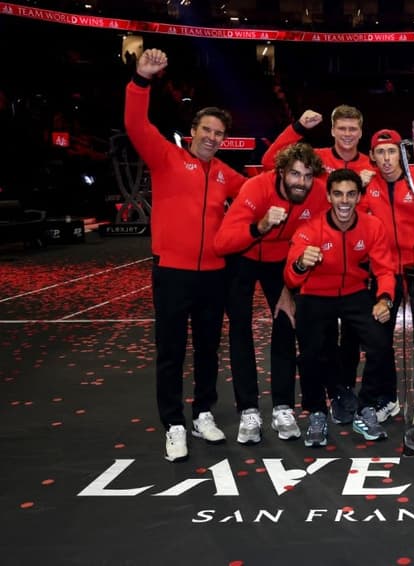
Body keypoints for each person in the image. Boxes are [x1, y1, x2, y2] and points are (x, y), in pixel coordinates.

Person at [125, 48, 246, 462]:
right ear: (192, 130)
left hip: (214, 274)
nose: (212, 138)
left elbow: (258, 189)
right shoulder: (166, 159)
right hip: (172, 272)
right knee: (171, 350)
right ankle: (174, 423)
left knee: (208, 348)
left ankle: (204, 413)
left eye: (219, 134)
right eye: (207, 130)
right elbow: (135, 124)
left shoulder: (226, 174)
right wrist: (141, 81)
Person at [261, 105, 374, 426]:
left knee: (352, 338)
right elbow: (271, 162)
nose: (348, 135)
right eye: (342, 129)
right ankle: (325, 396)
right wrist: (297, 127)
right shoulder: (317, 158)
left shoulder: (370, 164)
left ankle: (343, 394)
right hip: (316, 263)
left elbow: (372, 211)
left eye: (353, 129)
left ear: (361, 131)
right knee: (319, 338)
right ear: (333, 130)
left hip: (354, 264)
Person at [213, 143, 324, 444]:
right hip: (244, 256)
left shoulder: (318, 193)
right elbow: (222, 243)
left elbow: (321, 236)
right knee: (240, 328)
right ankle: (249, 408)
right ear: (280, 173)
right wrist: (259, 226)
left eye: (308, 175)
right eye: (294, 174)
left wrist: (291, 287)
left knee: (286, 324)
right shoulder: (256, 188)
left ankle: (283, 406)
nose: (301, 182)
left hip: (282, 260)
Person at [285, 168, 396, 447]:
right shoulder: (310, 230)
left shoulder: (372, 226)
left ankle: (365, 408)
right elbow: (290, 276)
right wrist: (300, 264)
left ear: (359, 196)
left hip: (354, 293)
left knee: (380, 344)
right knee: (310, 354)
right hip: (315, 293)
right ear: (328, 196)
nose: (344, 201)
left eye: (350, 194)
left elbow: (385, 270)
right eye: (337, 194)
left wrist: (385, 299)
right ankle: (317, 413)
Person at [360, 129, 414, 424]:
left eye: (392, 152)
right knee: (380, 340)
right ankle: (387, 398)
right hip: (383, 273)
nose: (387, 158)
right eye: (381, 153)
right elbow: (356, 224)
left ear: (402, 155)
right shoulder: (366, 186)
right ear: (373, 158)